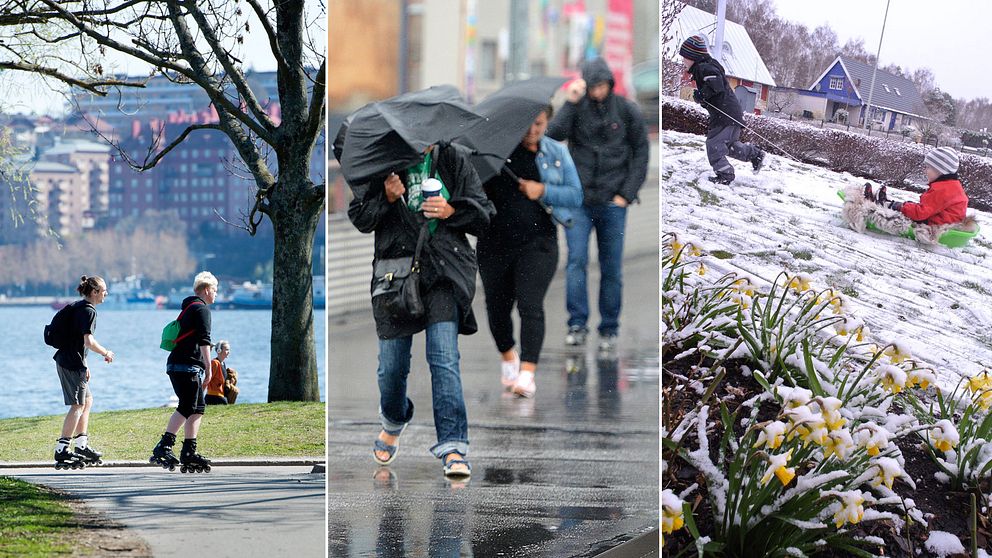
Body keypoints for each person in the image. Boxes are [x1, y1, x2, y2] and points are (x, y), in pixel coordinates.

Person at [348, 141, 495, 478]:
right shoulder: (383, 161)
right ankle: (394, 419)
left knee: (444, 359)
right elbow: (361, 218)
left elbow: (484, 214)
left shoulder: (453, 159)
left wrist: (451, 211)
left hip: (443, 273)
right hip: (396, 274)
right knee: (391, 368)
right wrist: (385, 197)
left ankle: (453, 447)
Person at [547, 56, 650, 353]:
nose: (598, 92)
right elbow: (552, 137)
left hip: (613, 203)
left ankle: (609, 328)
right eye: (593, 87)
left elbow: (641, 154)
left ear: (610, 84)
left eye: (602, 86)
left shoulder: (627, 110)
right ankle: (576, 324)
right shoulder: (577, 110)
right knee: (576, 262)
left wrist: (626, 195)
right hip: (579, 202)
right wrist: (570, 101)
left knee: (611, 268)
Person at [478, 106, 582, 398]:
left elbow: (576, 195)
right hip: (494, 243)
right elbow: (475, 192)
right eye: (526, 124)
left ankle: (527, 372)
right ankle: (508, 355)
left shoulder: (556, 154)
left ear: (547, 122)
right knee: (497, 307)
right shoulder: (496, 154)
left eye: (538, 124)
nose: (532, 130)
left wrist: (543, 190)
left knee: (530, 304)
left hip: (538, 243)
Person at [150, 271, 217, 472]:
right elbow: (205, 341)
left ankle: (189, 451)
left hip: (180, 364)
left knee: (197, 408)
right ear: (206, 290)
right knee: (188, 405)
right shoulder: (202, 310)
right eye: (215, 290)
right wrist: (209, 367)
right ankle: (164, 446)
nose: (216, 294)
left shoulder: (189, 307)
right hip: (186, 365)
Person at [680, 33, 765, 185]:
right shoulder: (706, 66)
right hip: (731, 113)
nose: (683, 60)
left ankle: (725, 174)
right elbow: (716, 89)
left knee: (714, 145)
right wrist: (703, 98)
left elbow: (716, 85)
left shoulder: (703, 67)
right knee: (729, 145)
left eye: (684, 57)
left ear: (693, 56)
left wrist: (702, 95)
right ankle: (755, 155)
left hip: (724, 115)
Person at [849, 147, 972, 244]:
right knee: (909, 206)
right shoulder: (952, 186)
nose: (925, 171)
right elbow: (928, 208)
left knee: (899, 215)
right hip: (941, 219)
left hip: (934, 226)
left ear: (940, 170)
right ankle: (885, 202)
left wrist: (899, 207)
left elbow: (920, 213)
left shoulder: (943, 190)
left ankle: (879, 206)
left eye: (928, 167)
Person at [53, 276, 114, 468]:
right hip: (70, 363)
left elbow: (77, 342)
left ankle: (81, 445)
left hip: (73, 361)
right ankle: (62, 450)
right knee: (77, 405)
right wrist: (106, 352)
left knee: (87, 401)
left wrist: (85, 364)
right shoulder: (88, 311)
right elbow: (88, 342)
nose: (106, 293)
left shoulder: (80, 307)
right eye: (104, 290)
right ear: (94, 292)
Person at [206, 340, 230, 405]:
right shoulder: (215, 363)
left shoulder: (223, 363)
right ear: (219, 350)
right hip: (213, 396)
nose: (229, 352)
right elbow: (208, 379)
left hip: (221, 395)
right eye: (227, 350)